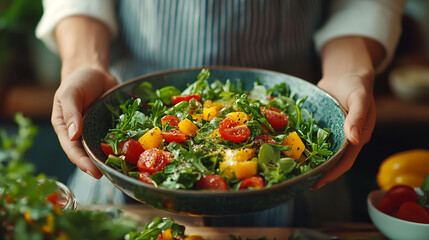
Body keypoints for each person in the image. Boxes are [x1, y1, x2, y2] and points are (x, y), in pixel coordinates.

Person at [36, 0, 405, 226]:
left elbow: (365, 3)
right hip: (125, 169)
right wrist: (84, 64)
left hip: (297, 184)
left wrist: (350, 70)